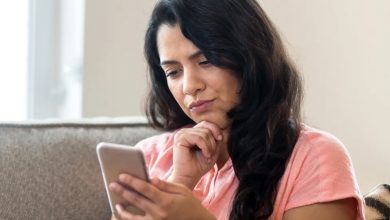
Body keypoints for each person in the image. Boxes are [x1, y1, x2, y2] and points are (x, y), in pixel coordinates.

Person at [108, 0, 365, 219]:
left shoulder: (315, 157)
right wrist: (179, 181)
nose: (189, 86)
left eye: (206, 61)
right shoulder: (149, 155)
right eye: (173, 72)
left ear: (249, 56)